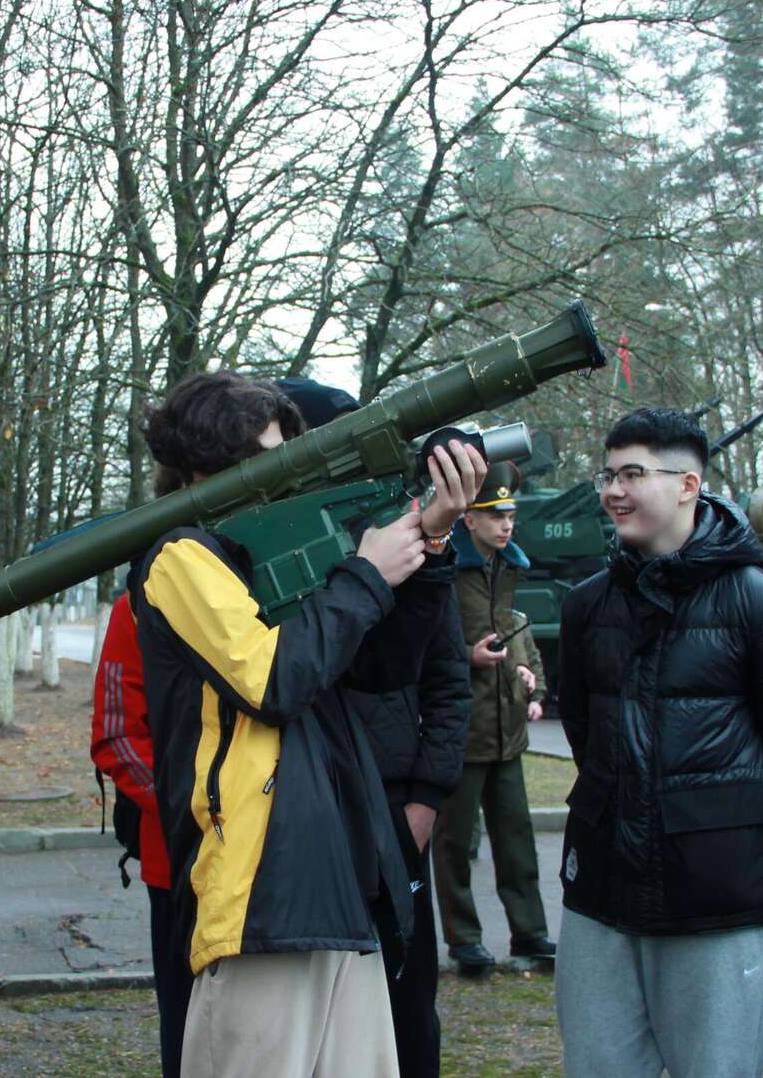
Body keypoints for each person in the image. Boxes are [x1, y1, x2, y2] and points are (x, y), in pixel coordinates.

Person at [129, 370, 482, 1078]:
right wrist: (364, 575)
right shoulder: (180, 557)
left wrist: (433, 541)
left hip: (343, 878)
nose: (289, 471)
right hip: (259, 889)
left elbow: (381, 669)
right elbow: (273, 678)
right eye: (270, 454)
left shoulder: (264, 552)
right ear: (209, 462)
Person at [552, 408, 763, 1078]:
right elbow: (586, 734)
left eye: (633, 473)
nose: (614, 490)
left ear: (688, 484)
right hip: (602, 893)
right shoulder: (586, 605)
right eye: (608, 473)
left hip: (717, 897)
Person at [285, 377, 472, 1078]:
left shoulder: (406, 545)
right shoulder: (270, 547)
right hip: (301, 814)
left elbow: (450, 682)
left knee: (403, 1009)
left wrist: (422, 804)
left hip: (393, 811)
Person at [434, 461, 552, 973]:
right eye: (495, 514)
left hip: (505, 727)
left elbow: (515, 628)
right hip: (461, 728)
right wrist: (467, 656)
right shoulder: (442, 570)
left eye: (511, 514)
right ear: (470, 520)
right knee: (455, 842)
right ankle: (465, 942)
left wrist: (526, 671)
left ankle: (531, 934)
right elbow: (424, 647)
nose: (507, 524)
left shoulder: (508, 566)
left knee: (517, 840)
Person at [89, 591, 190, 1078]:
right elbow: (116, 736)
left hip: (283, 861)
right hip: (180, 865)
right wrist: (192, 812)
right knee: (188, 1027)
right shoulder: (137, 605)